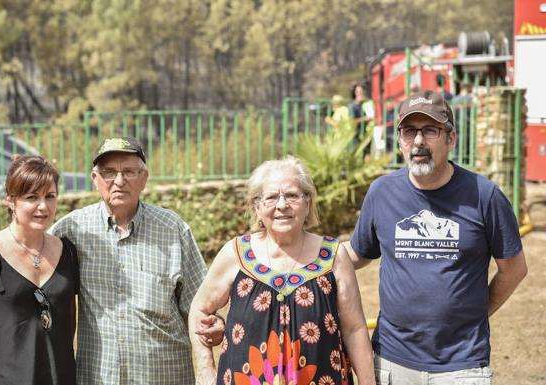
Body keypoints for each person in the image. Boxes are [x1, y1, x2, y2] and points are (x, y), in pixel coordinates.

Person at [0, 137, 223, 385]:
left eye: (129, 171)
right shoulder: (72, 231)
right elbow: (23, 248)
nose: (119, 180)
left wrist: (213, 331)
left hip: (165, 376)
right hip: (96, 377)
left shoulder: (173, 230)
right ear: (94, 178)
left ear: (144, 178)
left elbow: (200, 305)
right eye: (108, 172)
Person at [344, 90, 527, 384]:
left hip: (462, 364)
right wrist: (307, 254)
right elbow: (356, 254)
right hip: (392, 361)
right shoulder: (382, 192)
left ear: (450, 139)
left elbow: (514, 269)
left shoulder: (484, 195)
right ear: (400, 140)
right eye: (409, 131)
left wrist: (477, 314)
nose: (418, 141)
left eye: (430, 130)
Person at [189, 156, 375, 385]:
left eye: (292, 195)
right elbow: (199, 309)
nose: (282, 205)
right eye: (271, 197)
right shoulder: (235, 254)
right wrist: (205, 372)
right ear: (256, 207)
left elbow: (354, 330)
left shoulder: (334, 256)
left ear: (308, 203)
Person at [0, 155, 79, 385]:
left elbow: (68, 321)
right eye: (32, 197)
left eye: (50, 196)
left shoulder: (68, 252)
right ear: (10, 201)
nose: (43, 206)